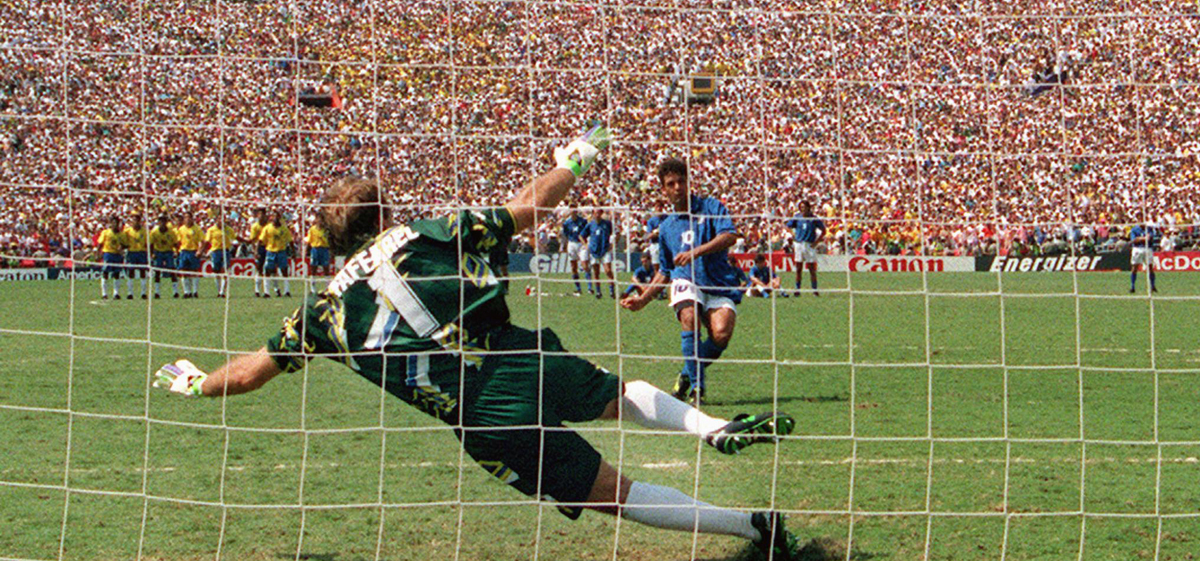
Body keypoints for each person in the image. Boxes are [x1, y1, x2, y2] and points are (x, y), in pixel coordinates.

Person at [152, 126, 801, 560]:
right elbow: (526, 208)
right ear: (383, 216)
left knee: (610, 490)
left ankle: (751, 528)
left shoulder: (321, 311)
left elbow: (247, 375)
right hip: (512, 352)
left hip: (478, 416)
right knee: (618, 395)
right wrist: (571, 161)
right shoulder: (421, 233)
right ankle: (710, 426)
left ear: (333, 241)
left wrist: (197, 380)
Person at [622, 157, 745, 405]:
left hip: (717, 282)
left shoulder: (711, 207)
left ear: (689, 182)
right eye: (671, 183)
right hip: (685, 281)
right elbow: (665, 271)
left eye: (681, 181)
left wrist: (695, 252)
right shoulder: (666, 227)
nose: (678, 187)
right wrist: (643, 299)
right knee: (689, 317)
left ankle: (687, 375)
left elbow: (730, 236)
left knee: (720, 335)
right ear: (664, 189)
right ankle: (698, 389)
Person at [785, 202, 825, 297]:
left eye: (804, 207)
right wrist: (792, 233)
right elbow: (787, 226)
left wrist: (816, 242)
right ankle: (797, 289)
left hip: (809, 244)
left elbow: (823, 230)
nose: (802, 209)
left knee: (812, 269)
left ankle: (815, 290)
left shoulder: (813, 218)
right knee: (798, 268)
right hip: (799, 244)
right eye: (801, 207)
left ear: (808, 207)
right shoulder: (797, 217)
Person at [581, 207, 616, 299]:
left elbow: (616, 233)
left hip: (605, 250)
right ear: (593, 213)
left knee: (608, 270)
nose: (597, 214)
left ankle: (612, 291)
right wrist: (586, 245)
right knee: (596, 272)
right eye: (595, 213)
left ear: (601, 213)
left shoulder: (607, 224)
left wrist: (612, 244)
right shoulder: (590, 225)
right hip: (594, 251)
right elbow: (581, 236)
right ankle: (598, 292)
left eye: (598, 213)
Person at [259, 211, 293, 297]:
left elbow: (290, 241)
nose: (274, 218)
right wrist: (257, 251)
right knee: (268, 270)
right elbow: (260, 240)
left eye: (276, 217)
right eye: (273, 216)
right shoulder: (267, 228)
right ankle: (266, 292)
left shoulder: (284, 229)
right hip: (271, 251)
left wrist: (294, 252)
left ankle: (287, 291)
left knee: (284, 270)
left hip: (281, 251)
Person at [203, 216, 237, 299]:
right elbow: (207, 241)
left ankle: (222, 292)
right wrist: (203, 251)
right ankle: (219, 290)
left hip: (225, 251)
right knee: (216, 271)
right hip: (215, 251)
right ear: (216, 220)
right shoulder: (211, 230)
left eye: (223, 219)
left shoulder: (228, 229)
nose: (221, 221)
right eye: (219, 219)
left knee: (225, 270)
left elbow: (234, 237)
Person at [561, 209, 590, 296]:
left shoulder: (583, 221)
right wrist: (563, 245)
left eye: (574, 210)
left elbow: (587, 232)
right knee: (573, 267)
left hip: (581, 244)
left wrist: (587, 242)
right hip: (572, 244)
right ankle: (578, 288)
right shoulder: (567, 223)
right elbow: (565, 235)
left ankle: (590, 287)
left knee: (585, 265)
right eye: (571, 210)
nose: (573, 212)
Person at [148, 213, 178, 299]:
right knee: (157, 272)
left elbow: (175, 243)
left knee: (172, 270)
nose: (162, 223)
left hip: (168, 251)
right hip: (159, 252)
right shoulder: (154, 232)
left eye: (164, 221)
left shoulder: (171, 232)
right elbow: (151, 244)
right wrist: (152, 254)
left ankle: (175, 291)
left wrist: (176, 251)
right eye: (160, 221)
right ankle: (157, 292)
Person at [176, 213, 205, 299]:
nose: (187, 219)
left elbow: (202, 241)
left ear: (192, 219)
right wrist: (178, 250)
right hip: (184, 251)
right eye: (185, 217)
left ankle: (195, 291)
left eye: (189, 217)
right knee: (184, 272)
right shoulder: (181, 229)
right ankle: (186, 292)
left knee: (194, 271)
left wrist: (199, 251)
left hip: (193, 251)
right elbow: (178, 241)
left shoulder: (197, 229)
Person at [96, 215, 126, 301]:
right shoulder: (105, 232)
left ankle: (116, 293)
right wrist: (98, 254)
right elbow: (100, 244)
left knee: (117, 274)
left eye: (116, 223)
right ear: (110, 224)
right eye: (113, 223)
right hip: (108, 254)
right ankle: (104, 293)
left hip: (117, 255)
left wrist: (122, 247)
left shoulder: (121, 234)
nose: (115, 225)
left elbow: (125, 244)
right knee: (105, 273)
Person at [122, 213, 150, 300]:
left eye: (137, 220)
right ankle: (130, 293)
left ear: (140, 221)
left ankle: (143, 293)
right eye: (133, 220)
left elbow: (148, 244)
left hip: (141, 253)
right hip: (131, 253)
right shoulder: (127, 231)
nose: (135, 222)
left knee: (142, 272)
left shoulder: (145, 231)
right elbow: (124, 243)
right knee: (130, 273)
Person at [304, 213, 332, 295]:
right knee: (313, 268)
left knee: (326, 268)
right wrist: (307, 250)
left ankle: (328, 287)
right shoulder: (312, 229)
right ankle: (313, 288)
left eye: (321, 219)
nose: (320, 221)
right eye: (318, 219)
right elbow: (309, 241)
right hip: (315, 249)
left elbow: (330, 240)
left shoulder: (326, 230)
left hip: (324, 249)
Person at [1129, 221, 1160, 294]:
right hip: (1137, 249)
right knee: (1134, 268)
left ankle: (1153, 286)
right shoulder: (1134, 229)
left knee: (1150, 267)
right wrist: (1143, 238)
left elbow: (1150, 238)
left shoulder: (1149, 229)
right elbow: (1134, 240)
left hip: (1147, 248)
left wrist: (1140, 238)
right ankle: (1132, 286)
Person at [247, 207, 270, 298]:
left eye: (262, 214)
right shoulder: (255, 226)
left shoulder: (269, 225)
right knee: (259, 268)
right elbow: (252, 240)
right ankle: (257, 290)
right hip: (259, 248)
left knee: (269, 269)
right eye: (259, 214)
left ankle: (271, 290)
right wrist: (254, 251)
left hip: (269, 248)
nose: (261, 216)